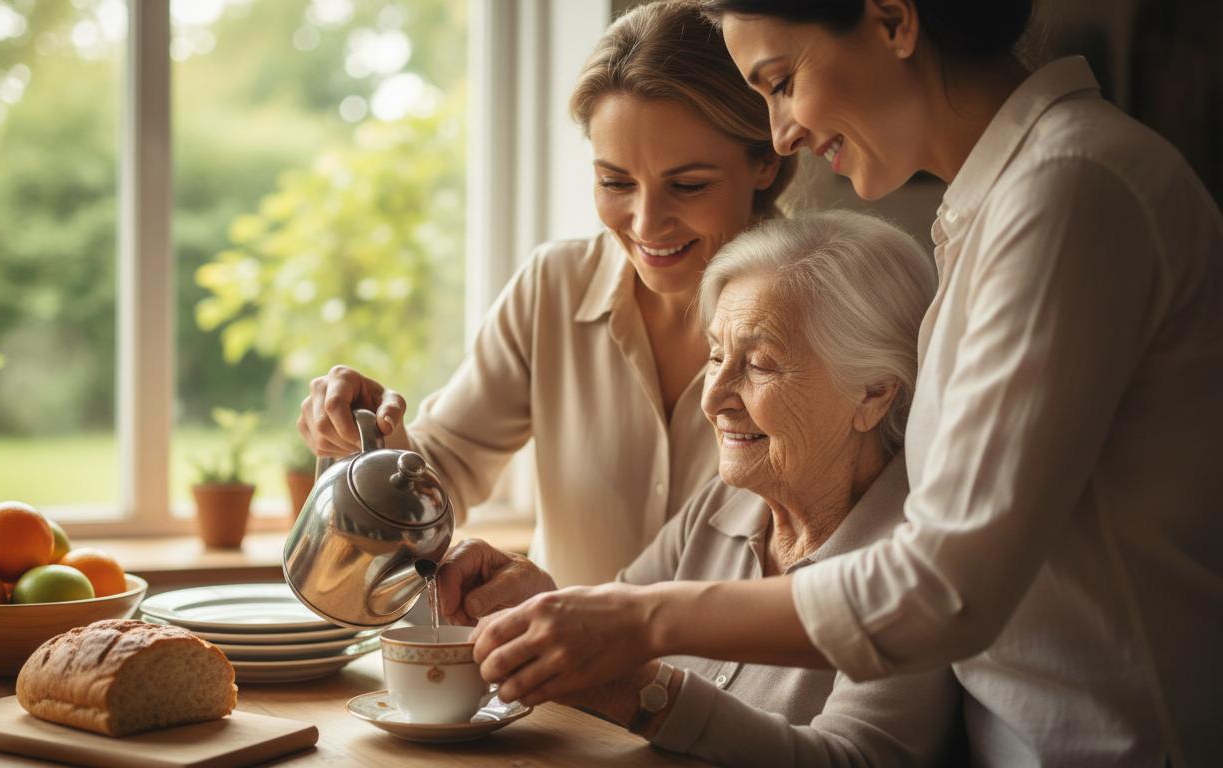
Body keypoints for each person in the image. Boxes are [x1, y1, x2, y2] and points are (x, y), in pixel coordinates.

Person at [470, 1, 1223, 765]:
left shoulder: (1069, 188)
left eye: (781, 81)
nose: (780, 135)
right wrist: (562, 611)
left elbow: (944, 589)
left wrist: (643, 622)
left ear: (892, 20)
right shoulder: (1004, 206)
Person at [298, 0, 793, 587]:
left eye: (687, 185)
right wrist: (369, 434)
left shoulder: (824, 311)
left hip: (743, 655)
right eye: (615, 182)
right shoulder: (554, 287)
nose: (646, 222)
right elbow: (445, 466)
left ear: (765, 161)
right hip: (559, 652)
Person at [441, 211, 956, 766]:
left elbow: (857, 759)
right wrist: (535, 607)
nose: (713, 398)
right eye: (715, 356)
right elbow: (611, 637)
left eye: (760, 365)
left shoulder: (925, 561)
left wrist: (637, 694)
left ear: (874, 393)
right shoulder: (726, 503)